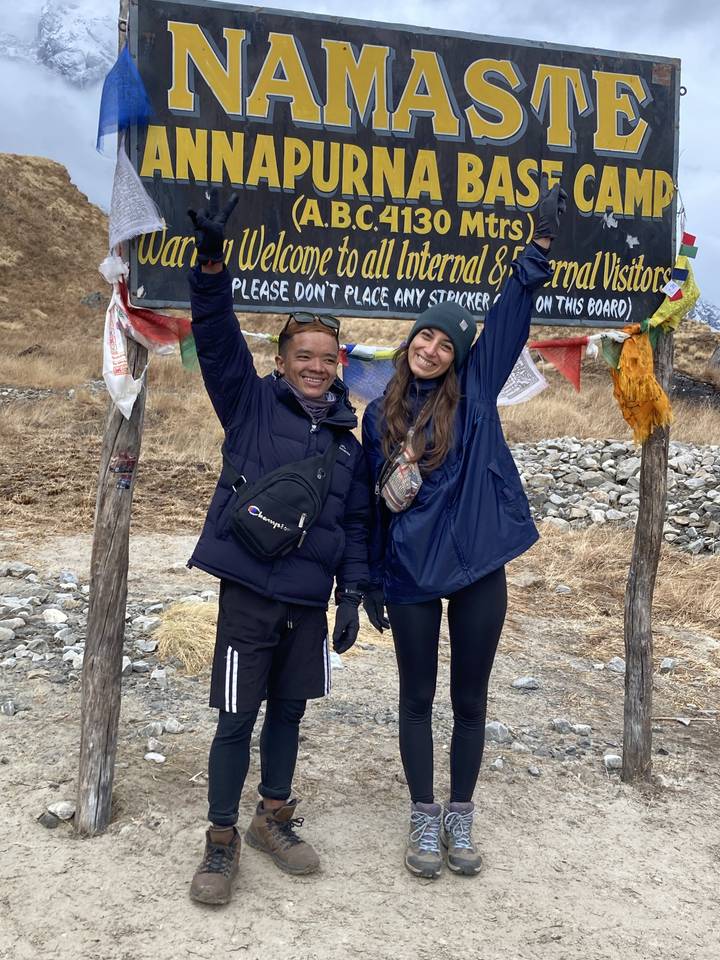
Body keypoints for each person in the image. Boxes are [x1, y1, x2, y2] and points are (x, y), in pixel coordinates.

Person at [361, 176, 567, 879]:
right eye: (424, 335)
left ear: (458, 355)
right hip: (411, 572)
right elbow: (371, 504)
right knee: (417, 699)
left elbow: (512, 310)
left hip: (479, 563)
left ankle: (460, 815)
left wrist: (539, 244)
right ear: (409, 341)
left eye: (445, 342)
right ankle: (423, 815)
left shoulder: (476, 393)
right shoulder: (377, 416)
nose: (431, 348)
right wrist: (370, 581)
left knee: (470, 700)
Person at [185, 190, 369, 905]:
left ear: (339, 362)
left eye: (327, 357)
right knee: (237, 717)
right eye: (304, 355)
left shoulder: (349, 440)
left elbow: (356, 523)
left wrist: (350, 596)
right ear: (283, 359)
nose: (316, 367)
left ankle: (274, 818)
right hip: (249, 594)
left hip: (308, 601)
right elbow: (215, 336)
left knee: (290, 711)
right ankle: (220, 838)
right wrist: (211, 265)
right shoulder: (249, 401)